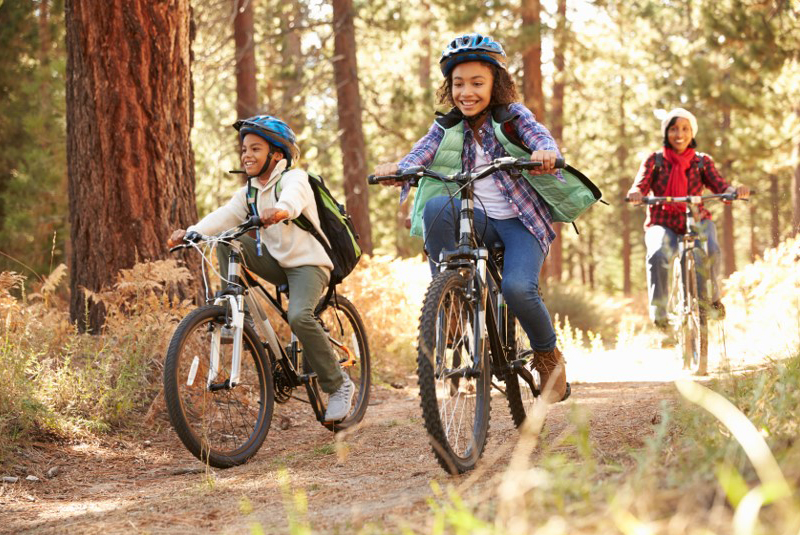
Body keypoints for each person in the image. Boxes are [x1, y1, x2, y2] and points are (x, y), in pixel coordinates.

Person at [373, 33, 568, 403]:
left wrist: (544, 152)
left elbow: (538, 135)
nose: (467, 92)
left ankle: (548, 357)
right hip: (474, 218)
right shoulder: (446, 127)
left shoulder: (513, 116)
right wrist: (400, 169)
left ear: (496, 84)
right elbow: (421, 154)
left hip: (519, 222)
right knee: (434, 208)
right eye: (458, 83)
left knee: (517, 289)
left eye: (477, 83)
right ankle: (454, 299)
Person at [169, 115, 354, 421]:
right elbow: (225, 215)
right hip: (277, 263)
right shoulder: (249, 192)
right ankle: (232, 307)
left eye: (255, 148)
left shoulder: (295, 179)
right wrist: (192, 232)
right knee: (228, 239)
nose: (246, 155)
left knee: (298, 316)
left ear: (277, 154)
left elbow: (293, 201)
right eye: (244, 149)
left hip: (309, 264)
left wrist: (280, 211)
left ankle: (338, 385)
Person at [626, 108, 750, 345]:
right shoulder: (655, 161)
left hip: (697, 220)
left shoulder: (702, 162)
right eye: (674, 129)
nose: (679, 134)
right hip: (663, 222)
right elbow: (640, 186)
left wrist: (734, 191)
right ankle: (661, 317)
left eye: (685, 129)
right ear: (666, 133)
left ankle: (712, 301)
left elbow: (720, 186)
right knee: (658, 255)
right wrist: (636, 193)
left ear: (692, 132)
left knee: (711, 250)